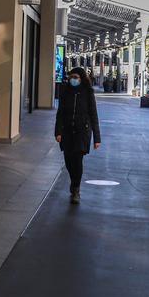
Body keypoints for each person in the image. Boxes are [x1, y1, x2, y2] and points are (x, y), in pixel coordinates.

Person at [55, 66, 101, 204]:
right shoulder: (65, 92)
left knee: (77, 161)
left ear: (81, 79)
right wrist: (57, 131)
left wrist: (97, 138)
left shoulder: (88, 93)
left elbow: (94, 115)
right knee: (68, 161)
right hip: (67, 131)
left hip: (82, 132)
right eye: (71, 77)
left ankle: (76, 189)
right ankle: (73, 182)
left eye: (76, 78)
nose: (73, 80)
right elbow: (60, 114)